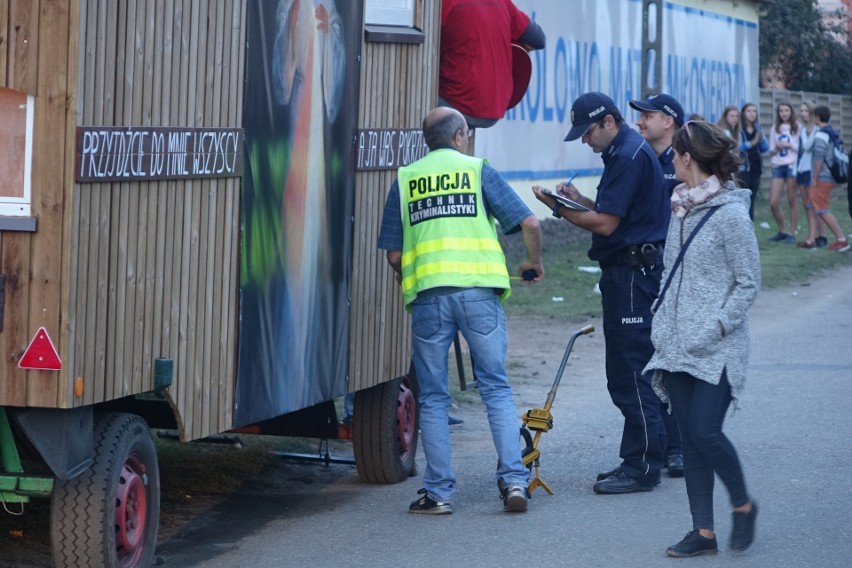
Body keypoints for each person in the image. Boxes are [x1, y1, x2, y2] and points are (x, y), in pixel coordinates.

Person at [378, 106, 544, 515]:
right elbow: (531, 224)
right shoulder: (476, 170)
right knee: (496, 389)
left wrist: (410, 278)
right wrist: (532, 263)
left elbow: (395, 254)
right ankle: (514, 483)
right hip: (479, 296)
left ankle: (438, 494)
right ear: (458, 136)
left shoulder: (405, 179)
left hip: (430, 299)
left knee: (433, 398)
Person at [532, 92, 668, 494]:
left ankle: (642, 465)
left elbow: (607, 225)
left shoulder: (627, 155)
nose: (586, 141)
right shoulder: (625, 152)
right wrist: (577, 201)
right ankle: (641, 458)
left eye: (588, 132)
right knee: (630, 369)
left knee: (629, 370)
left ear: (608, 121)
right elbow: (614, 214)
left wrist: (557, 208)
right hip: (630, 269)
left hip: (631, 273)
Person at [644, 120, 760, 557]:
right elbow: (671, 278)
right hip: (675, 343)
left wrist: (716, 326)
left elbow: (749, 282)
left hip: (717, 346)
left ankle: (743, 505)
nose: (670, 161)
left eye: (674, 155)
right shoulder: (680, 208)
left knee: (705, 431)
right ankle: (703, 533)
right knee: (689, 438)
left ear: (687, 158)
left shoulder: (730, 213)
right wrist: (661, 321)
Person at [628, 92, 685, 478]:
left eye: (647, 115)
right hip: (647, 270)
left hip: (678, 269)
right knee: (648, 356)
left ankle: (680, 447)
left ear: (669, 120)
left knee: (672, 356)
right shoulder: (639, 158)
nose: (640, 121)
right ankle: (661, 442)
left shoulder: (686, 159)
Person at [439, 0, 545, 128]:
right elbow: (538, 39)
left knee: (415, 101)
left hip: (457, 103)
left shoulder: (443, 4)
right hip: (495, 109)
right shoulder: (502, 2)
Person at [810, 105, 850, 252]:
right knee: (821, 207)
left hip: (823, 176)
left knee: (822, 209)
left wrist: (815, 177)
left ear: (817, 118)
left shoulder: (821, 135)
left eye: (814, 116)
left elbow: (819, 158)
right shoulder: (833, 132)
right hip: (832, 175)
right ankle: (838, 239)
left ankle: (841, 240)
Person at [795, 101, 828, 248]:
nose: (803, 114)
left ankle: (814, 238)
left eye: (806, 111)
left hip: (811, 170)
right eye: (801, 111)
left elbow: (808, 146)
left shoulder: (815, 129)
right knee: (808, 205)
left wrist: (802, 132)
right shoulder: (803, 129)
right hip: (802, 169)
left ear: (813, 113)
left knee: (813, 205)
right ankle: (818, 236)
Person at [766, 102, 800, 243]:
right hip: (778, 166)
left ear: (791, 112)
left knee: (792, 200)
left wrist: (789, 144)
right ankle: (782, 231)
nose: (784, 113)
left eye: (786, 110)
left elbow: (800, 148)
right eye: (781, 111)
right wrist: (777, 147)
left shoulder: (797, 127)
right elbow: (771, 150)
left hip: (792, 166)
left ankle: (791, 233)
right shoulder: (775, 128)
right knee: (773, 202)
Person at [738, 102, 769, 220]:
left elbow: (765, 148)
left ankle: (750, 227)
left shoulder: (757, 128)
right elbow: (738, 148)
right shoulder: (740, 129)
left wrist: (759, 140)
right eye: (749, 111)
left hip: (756, 167)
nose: (752, 114)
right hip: (743, 169)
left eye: (754, 111)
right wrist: (753, 142)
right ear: (743, 113)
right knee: (743, 199)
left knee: (752, 199)